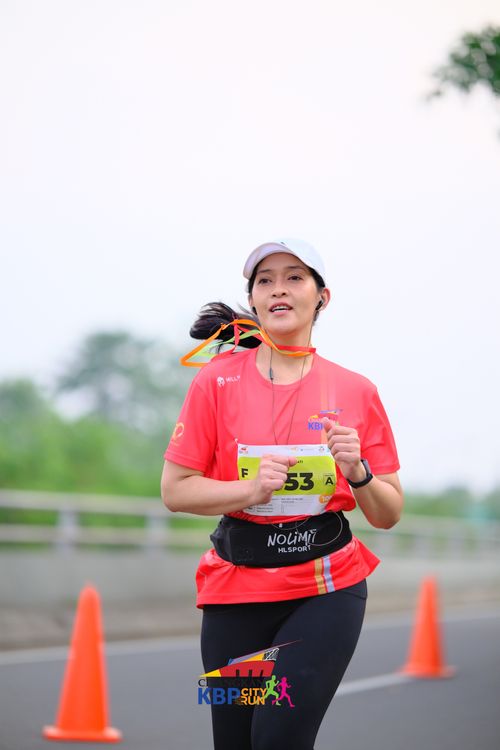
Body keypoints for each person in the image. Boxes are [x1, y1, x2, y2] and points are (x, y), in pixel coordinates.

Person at [161, 238, 403, 750]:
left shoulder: (357, 390)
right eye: (265, 280)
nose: (279, 289)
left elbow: (388, 514)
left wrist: (357, 472)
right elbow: (175, 491)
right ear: (252, 300)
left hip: (325, 586)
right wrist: (249, 489)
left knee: (278, 736)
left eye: (294, 277)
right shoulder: (215, 381)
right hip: (236, 588)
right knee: (236, 740)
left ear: (322, 297)